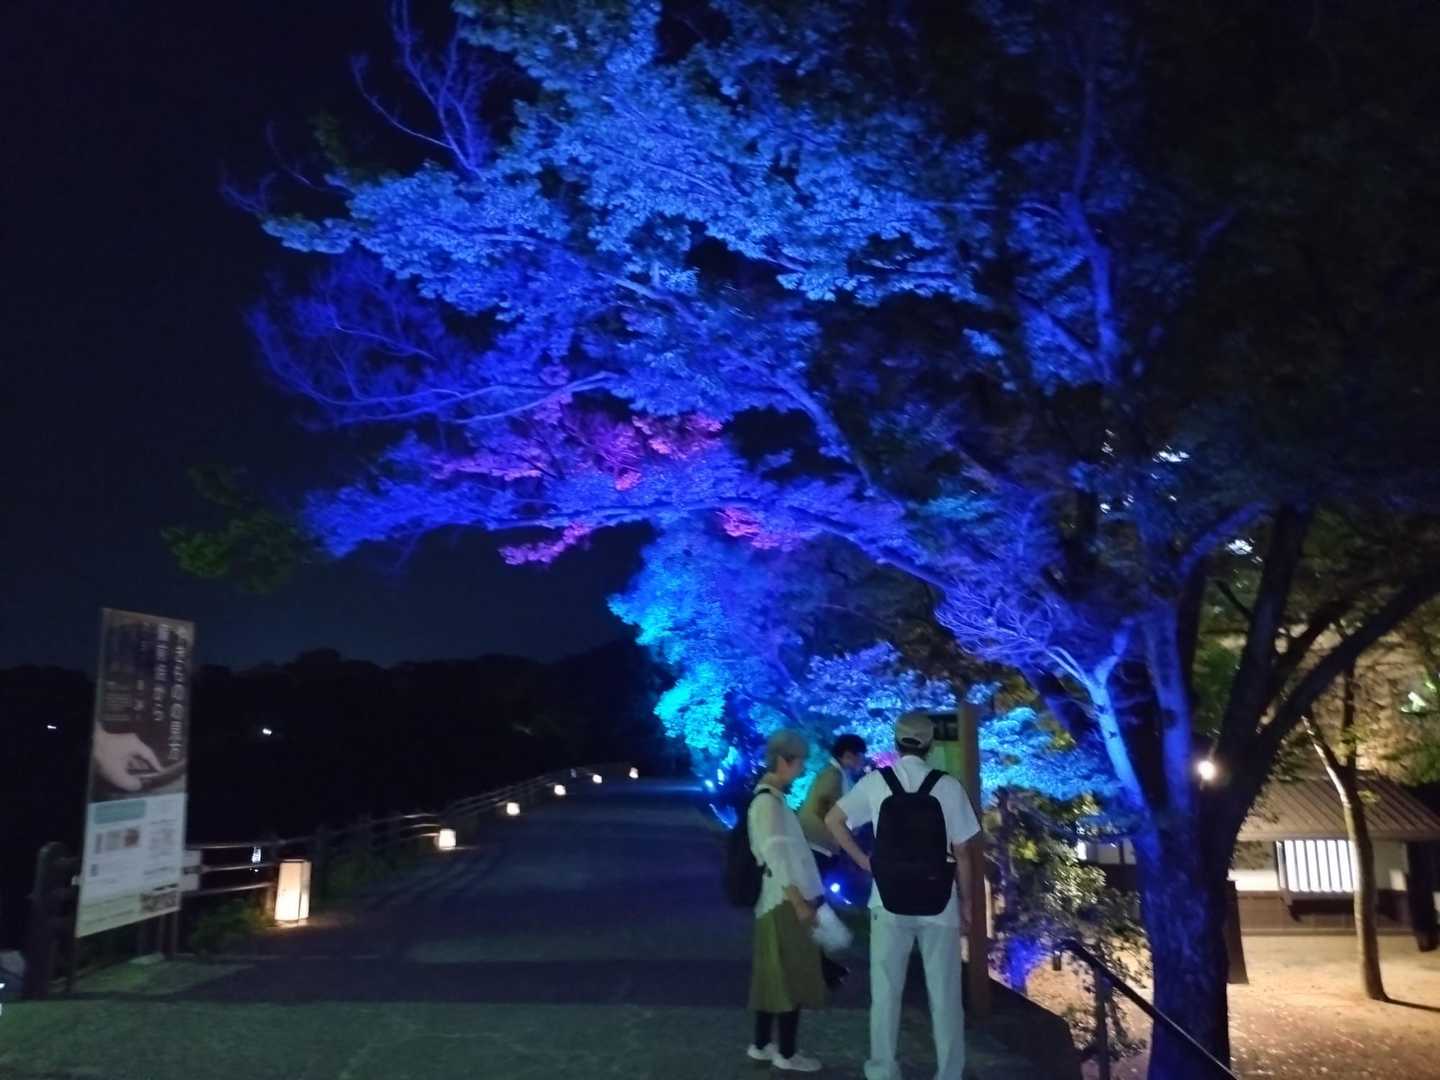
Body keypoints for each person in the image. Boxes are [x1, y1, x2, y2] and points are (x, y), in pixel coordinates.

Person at [825, 712, 981, 1080]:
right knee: (945, 997)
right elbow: (963, 852)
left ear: (896, 744)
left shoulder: (876, 782)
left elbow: (833, 820)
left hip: (887, 899)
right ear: (930, 745)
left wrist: (864, 860)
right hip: (939, 903)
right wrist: (967, 904)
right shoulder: (948, 787)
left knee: (885, 993)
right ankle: (949, 1073)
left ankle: (883, 1070)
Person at [746, 729, 828, 1073]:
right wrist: (799, 903)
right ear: (784, 760)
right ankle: (787, 1052)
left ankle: (762, 1044)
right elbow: (777, 858)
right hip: (783, 901)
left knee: (771, 974)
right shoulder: (769, 803)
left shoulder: (770, 800)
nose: (802, 769)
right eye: (800, 762)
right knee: (791, 975)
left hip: (775, 899)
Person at [798, 733, 868, 874]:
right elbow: (823, 805)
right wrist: (840, 828)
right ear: (848, 756)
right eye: (861, 757)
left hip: (821, 845)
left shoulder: (839, 774)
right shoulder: (833, 775)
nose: (863, 761)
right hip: (817, 845)